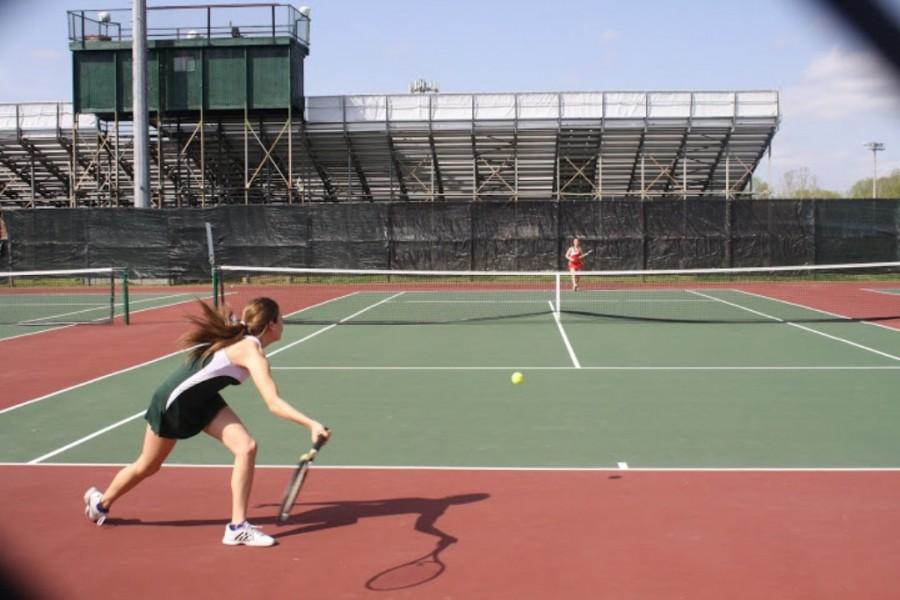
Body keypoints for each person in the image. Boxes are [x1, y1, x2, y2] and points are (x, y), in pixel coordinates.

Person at [83, 297, 330, 547]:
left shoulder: (243, 341)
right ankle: (100, 503)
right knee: (147, 466)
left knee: (246, 447)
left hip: (203, 400)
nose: (284, 323)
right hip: (175, 403)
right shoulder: (250, 350)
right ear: (271, 325)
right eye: (281, 318)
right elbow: (273, 402)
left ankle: (237, 527)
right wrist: (311, 424)